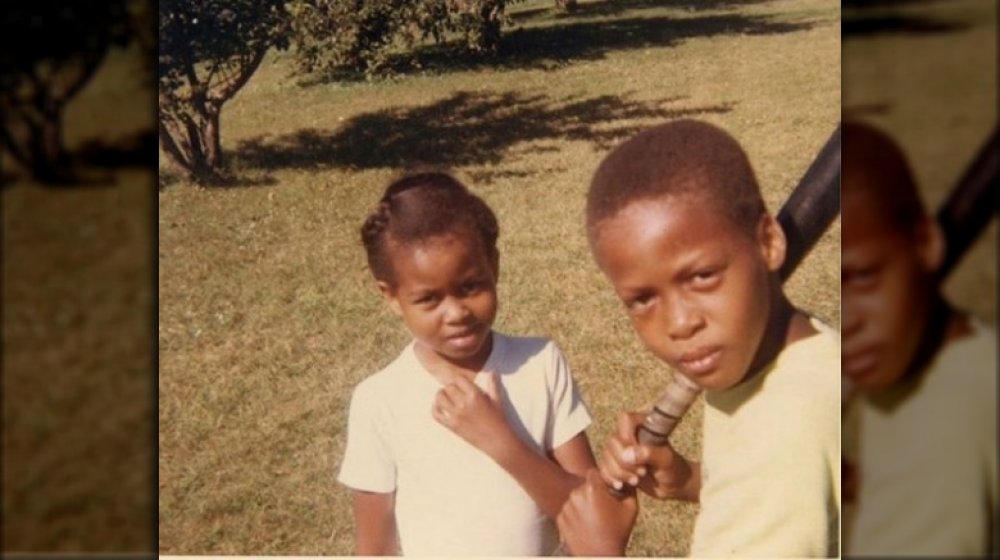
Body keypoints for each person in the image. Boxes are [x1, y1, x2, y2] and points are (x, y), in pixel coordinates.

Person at [555, 119, 840, 557]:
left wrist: (600, 552)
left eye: (703, 276)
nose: (679, 323)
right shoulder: (792, 356)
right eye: (642, 299)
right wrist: (689, 479)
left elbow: (771, 470)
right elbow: (767, 487)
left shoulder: (782, 430)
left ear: (767, 241)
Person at [337, 171, 596, 556]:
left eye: (470, 286)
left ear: (493, 265)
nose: (456, 312)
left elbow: (595, 516)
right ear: (391, 297)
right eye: (429, 299)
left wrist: (499, 438)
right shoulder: (380, 401)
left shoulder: (539, 364)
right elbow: (373, 548)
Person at [840, 120, 997, 556]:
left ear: (925, 243)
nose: (848, 322)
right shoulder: (907, 364)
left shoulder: (955, 409)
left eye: (863, 277)